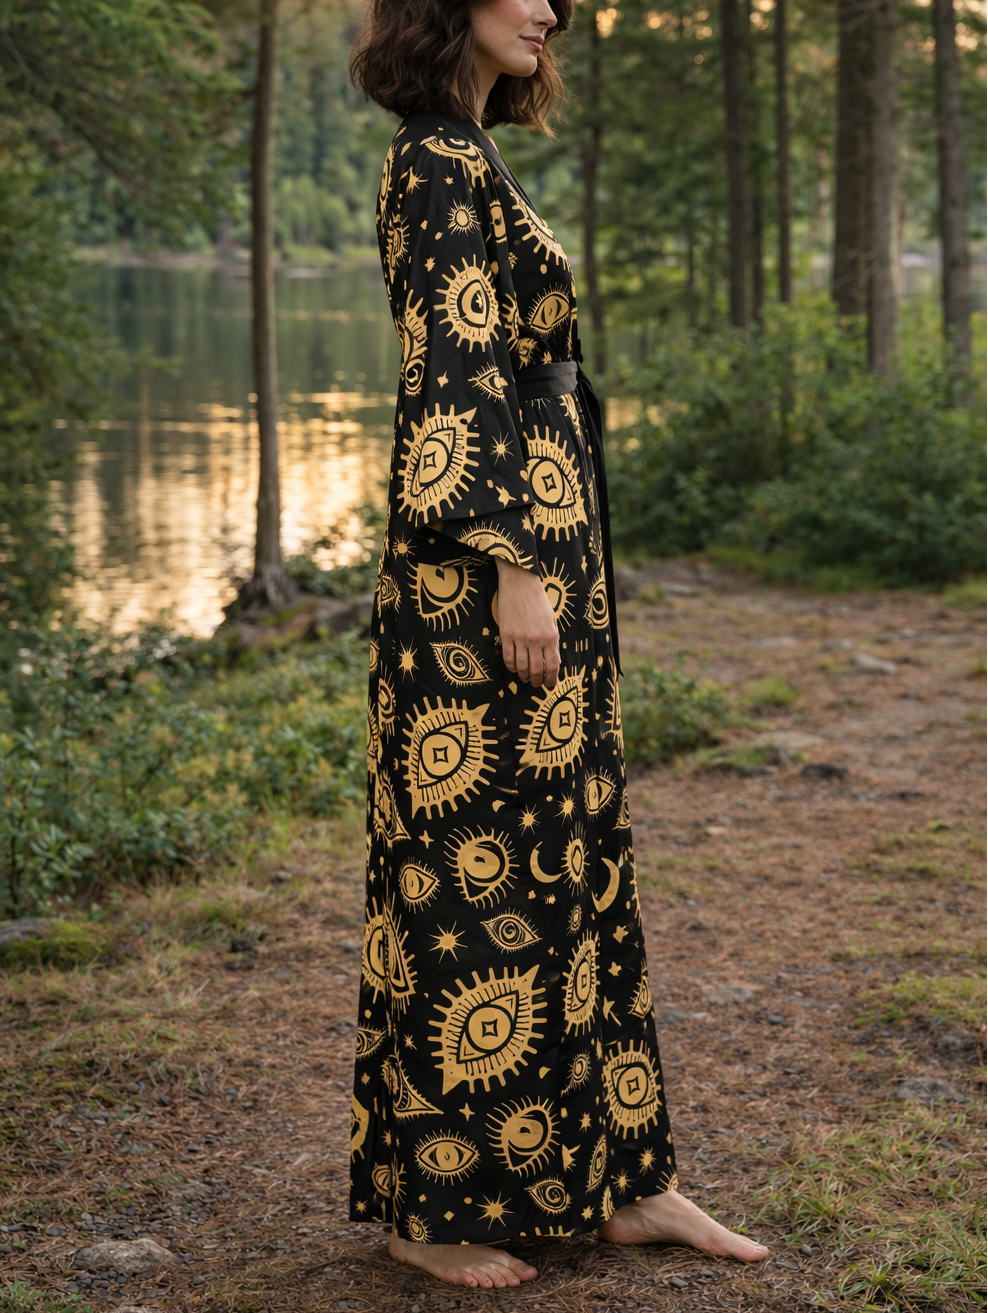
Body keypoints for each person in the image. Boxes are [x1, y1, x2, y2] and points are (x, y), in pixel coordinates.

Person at [347, 0, 770, 1288]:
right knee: (467, 889)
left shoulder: (477, 156)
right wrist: (514, 566)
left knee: (570, 871)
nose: (548, 7)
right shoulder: (429, 159)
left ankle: (617, 1183)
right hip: (482, 585)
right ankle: (432, 1208)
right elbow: (453, 375)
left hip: (540, 564)